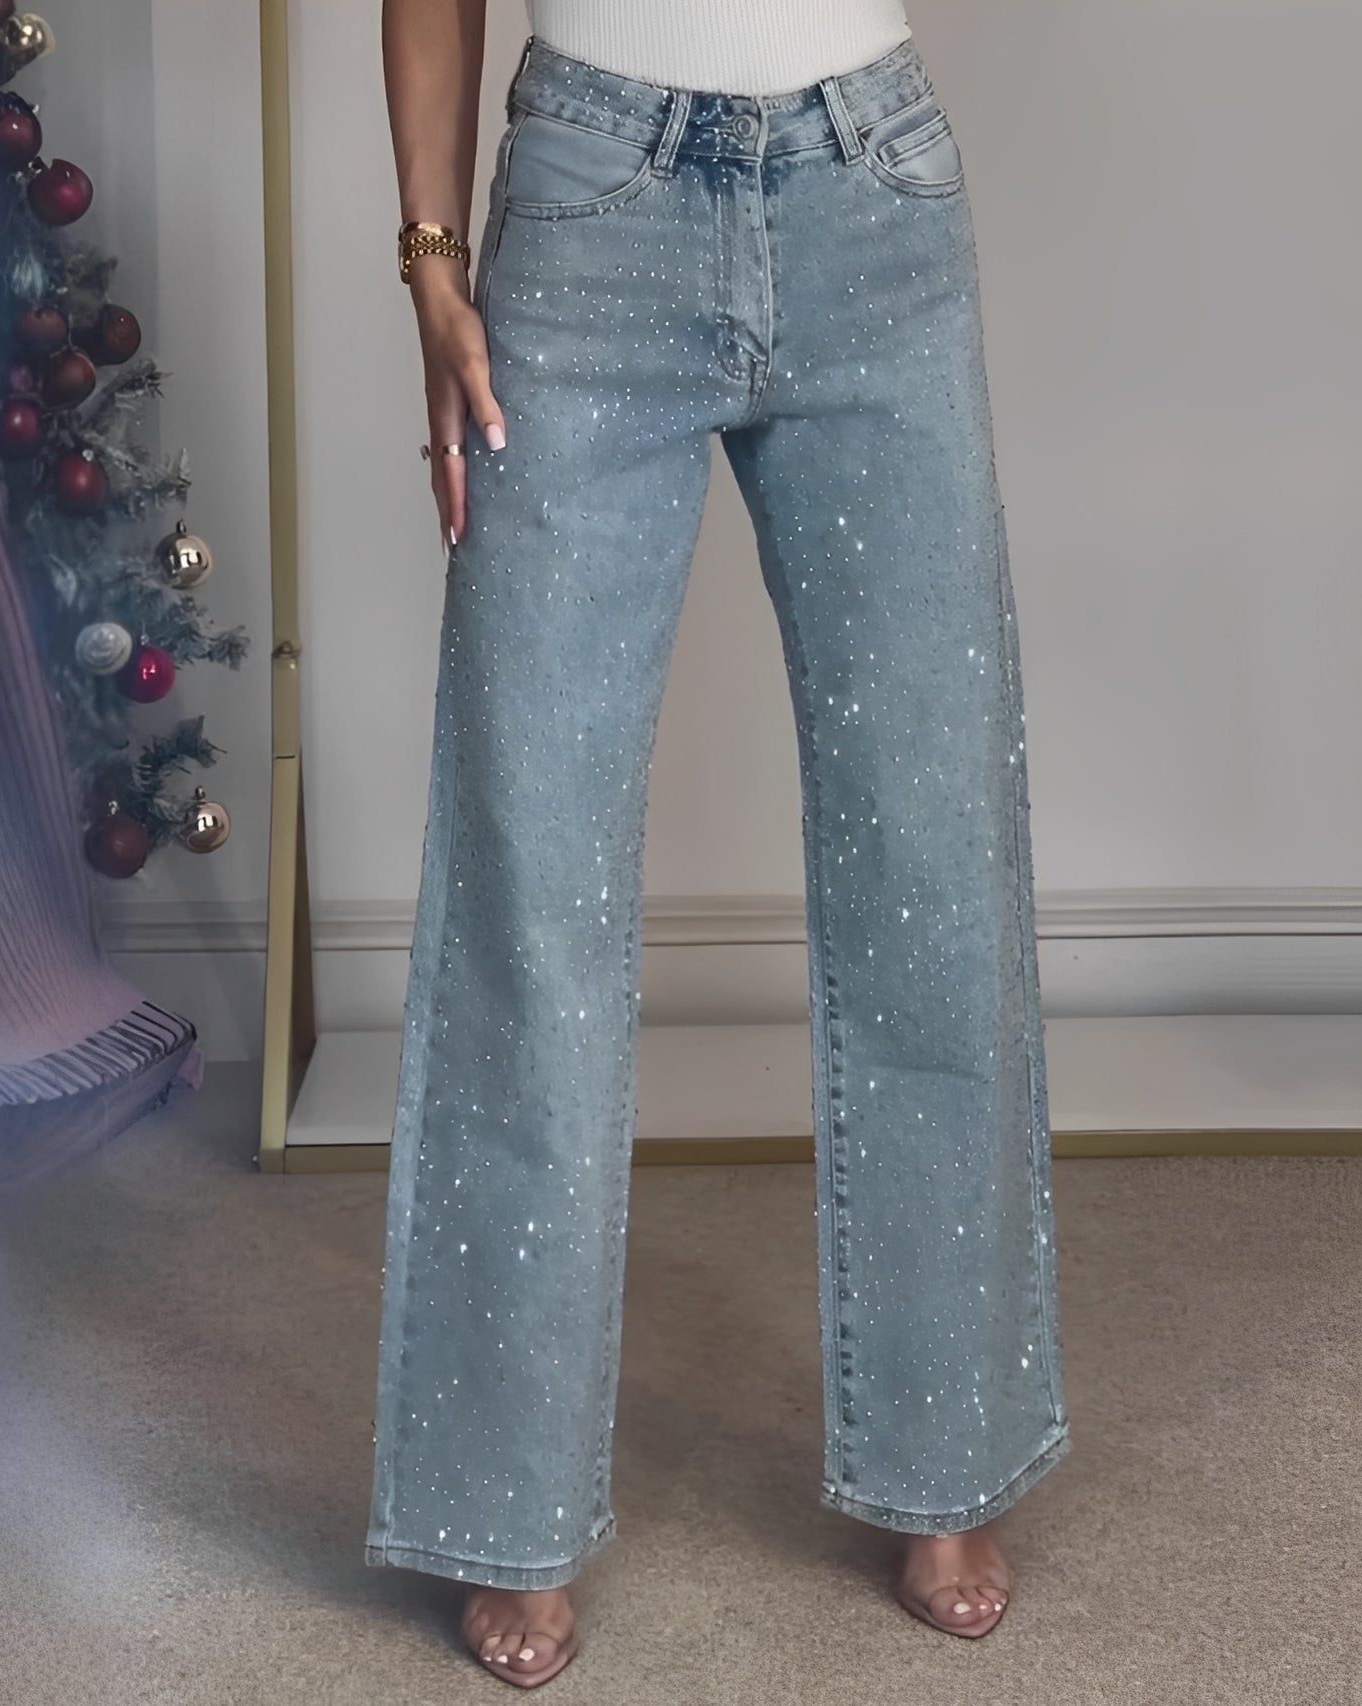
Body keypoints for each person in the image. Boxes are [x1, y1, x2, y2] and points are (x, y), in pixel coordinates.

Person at [370, 0, 1070, 1686]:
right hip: (590, 203)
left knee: (932, 858)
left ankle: (946, 1454)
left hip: (871, 191)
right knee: (531, 878)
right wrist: (431, 254)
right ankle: (505, 1503)